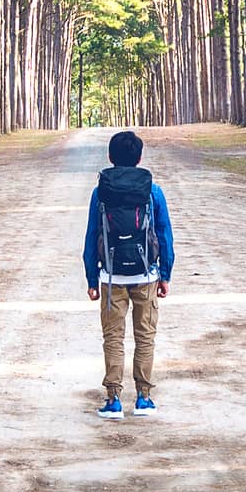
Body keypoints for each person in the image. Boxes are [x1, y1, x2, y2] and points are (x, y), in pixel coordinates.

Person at [83, 129, 174, 420]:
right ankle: (144, 399)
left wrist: (91, 279)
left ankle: (113, 401)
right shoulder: (153, 191)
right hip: (147, 274)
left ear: (110, 158)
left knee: (113, 338)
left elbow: (92, 236)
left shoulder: (100, 192)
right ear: (139, 158)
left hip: (111, 277)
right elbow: (164, 234)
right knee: (145, 337)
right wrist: (166, 274)